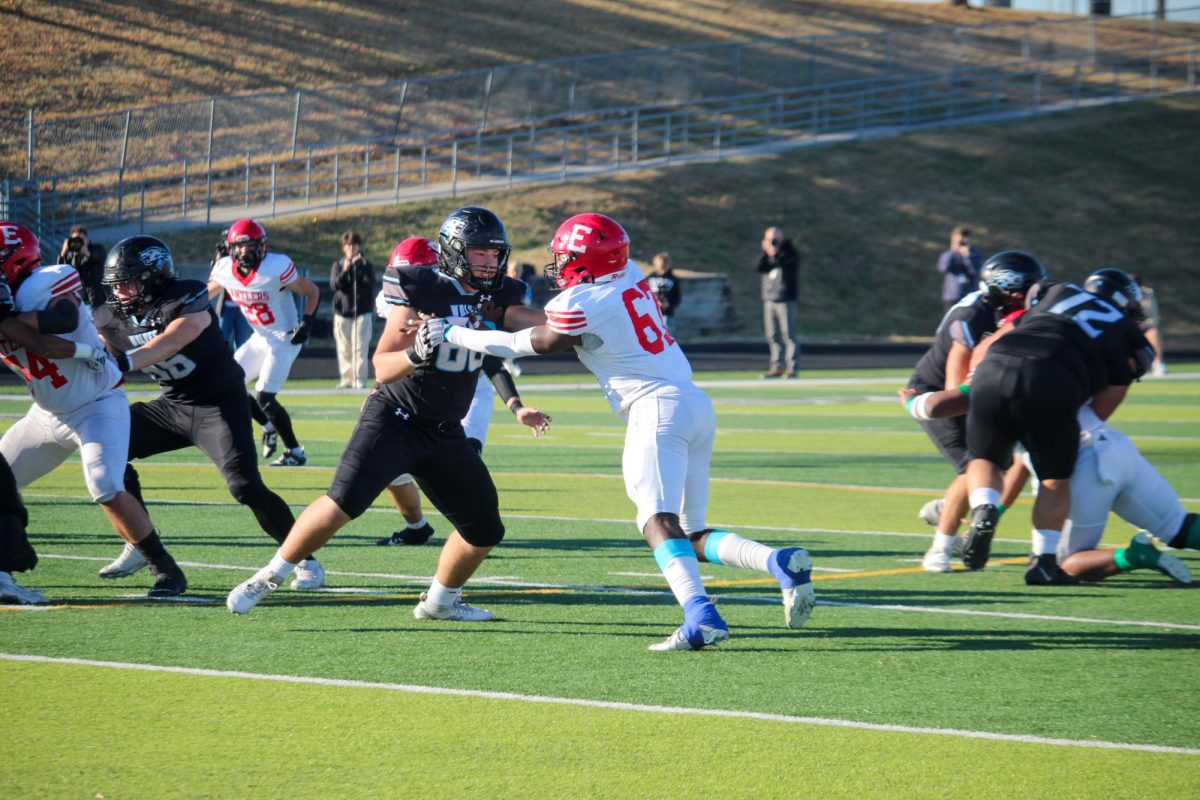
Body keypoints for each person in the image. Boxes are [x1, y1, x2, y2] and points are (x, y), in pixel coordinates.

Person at [430, 212, 816, 651]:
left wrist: (456, 333)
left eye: (567, 256)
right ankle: (778, 562)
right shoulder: (627, 275)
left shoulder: (583, 302)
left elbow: (532, 343)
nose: (559, 263)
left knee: (656, 521)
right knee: (688, 531)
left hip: (655, 407)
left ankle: (701, 614)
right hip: (693, 402)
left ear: (586, 261)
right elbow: (560, 325)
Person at [225, 206, 540, 620]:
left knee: (484, 529)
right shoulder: (421, 286)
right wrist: (416, 351)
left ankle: (440, 602)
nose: (490, 262)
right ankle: (270, 574)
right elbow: (382, 365)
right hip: (395, 417)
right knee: (343, 503)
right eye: (479, 253)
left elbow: (534, 325)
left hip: (445, 432)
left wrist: (577, 325)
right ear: (453, 251)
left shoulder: (501, 294)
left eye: (495, 254)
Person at [90, 236, 323, 590]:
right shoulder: (109, 317)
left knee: (245, 487)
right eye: (116, 284)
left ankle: (304, 558)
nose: (120, 292)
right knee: (108, 453)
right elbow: (98, 356)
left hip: (219, 403)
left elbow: (173, 339)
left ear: (154, 276)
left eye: (129, 281)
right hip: (173, 404)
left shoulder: (187, 295)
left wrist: (122, 362)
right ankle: (137, 543)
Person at [0, 221, 187, 598]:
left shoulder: (48, 280)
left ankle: (164, 567)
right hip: (47, 414)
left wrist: (7, 320)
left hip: (97, 404)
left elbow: (63, 320)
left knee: (103, 483)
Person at [958, 267, 1155, 582]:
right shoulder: (1132, 339)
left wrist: (971, 386)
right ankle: (1043, 563)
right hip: (1052, 381)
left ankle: (984, 507)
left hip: (992, 368)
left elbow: (987, 345)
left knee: (985, 459)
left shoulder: (1056, 290)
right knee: (1055, 478)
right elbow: (1098, 411)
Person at [904, 379, 1195, 587]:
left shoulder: (997, 366)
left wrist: (911, 403)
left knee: (1057, 565)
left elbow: (941, 406)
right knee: (1179, 528)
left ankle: (1132, 556)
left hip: (1080, 469)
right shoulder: (1067, 352)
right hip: (1116, 446)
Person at [373, 237, 551, 547]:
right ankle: (417, 526)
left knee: (462, 468)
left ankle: (472, 538)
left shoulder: (471, 294)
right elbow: (395, 355)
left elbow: (490, 358)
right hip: (417, 392)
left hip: (470, 389)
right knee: (391, 472)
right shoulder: (398, 297)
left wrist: (515, 405)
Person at [907, 250, 1046, 572]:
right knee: (976, 464)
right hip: (940, 395)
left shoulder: (1004, 311)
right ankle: (940, 548)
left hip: (981, 390)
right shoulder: (971, 316)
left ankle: (974, 521)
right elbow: (956, 382)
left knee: (1019, 462)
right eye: (1028, 289)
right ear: (1007, 288)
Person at [207, 218, 320, 467]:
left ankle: (295, 452)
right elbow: (205, 295)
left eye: (252, 245)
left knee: (265, 397)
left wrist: (307, 323)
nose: (246, 251)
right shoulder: (224, 269)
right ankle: (268, 426)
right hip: (261, 337)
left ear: (262, 246)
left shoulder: (276, 266)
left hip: (285, 336)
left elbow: (311, 291)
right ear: (231, 248)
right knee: (227, 382)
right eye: (241, 246)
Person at [330, 230, 376, 389]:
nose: (351, 248)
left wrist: (360, 267)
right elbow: (336, 286)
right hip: (343, 312)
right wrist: (345, 270)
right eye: (348, 245)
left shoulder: (366, 264)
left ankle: (360, 379)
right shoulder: (338, 264)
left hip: (362, 312)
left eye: (354, 245)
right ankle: (347, 379)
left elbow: (370, 283)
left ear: (359, 247)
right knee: (344, 348)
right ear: (344, 248)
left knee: (360, 347)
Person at [756, 226, 799, 379]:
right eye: (769, 238)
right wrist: (766, 252)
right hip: (769, 299)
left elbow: (785, 264)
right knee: (772, 335)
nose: (773, 242)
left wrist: (777, 251)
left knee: (789, 335)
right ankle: (776, 367)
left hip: (785, 298)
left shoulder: (789, 252)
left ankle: (792, 369)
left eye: (775, 238)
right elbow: (759, 267)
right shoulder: (767, 255)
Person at [211, 229, 252, 352]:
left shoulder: (248, 254)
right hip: (226, 307)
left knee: (243, 345)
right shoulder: (224, 257)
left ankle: (239, 369)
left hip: (244, 307)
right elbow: (214, 276)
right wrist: (219, 257)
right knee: (219, 342)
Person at [58, 225, 107, 310]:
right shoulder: (71, 255)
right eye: (75, 240)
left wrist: (86, 252)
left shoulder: (97, 248)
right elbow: (60, 270)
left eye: (80, 239)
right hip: (79, 301)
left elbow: (97, 256)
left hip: (97, 298)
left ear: (87, 239)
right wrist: (63, 253)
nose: (78, 243)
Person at [937, 226, 981, 311]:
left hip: (970, 296)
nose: (961, 243)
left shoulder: (974, 255)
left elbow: (975, 270)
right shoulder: (949, 255)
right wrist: (953, 250)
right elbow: (943, 267)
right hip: (952, 296)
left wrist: (967, 256)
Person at [1132, 274, 1167, 377]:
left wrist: (1141, 325)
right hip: (1129, 327)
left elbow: (1154, 318)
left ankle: (1158, 364)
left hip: (1145, 326)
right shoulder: (1121, 294)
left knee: (1153, 333)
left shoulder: (1148, 293)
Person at [646, 252, 681, 331]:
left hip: (666, 313)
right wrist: (655, 300)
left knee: (667, 332)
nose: (662, 271)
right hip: (652, 312)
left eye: (664, 268)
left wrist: (669, 304)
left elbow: (677, 297)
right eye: (660, 268)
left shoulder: (673, 279)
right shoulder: (650, 278)